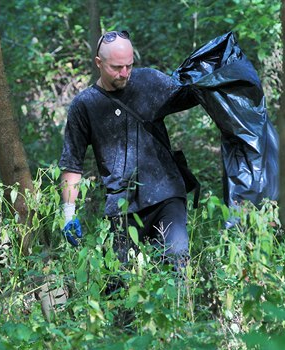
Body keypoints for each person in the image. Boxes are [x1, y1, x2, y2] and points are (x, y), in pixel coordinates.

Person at [58, 30, 198, 268]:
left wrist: (215, 77)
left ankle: (181, 306)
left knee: (176, 262)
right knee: (118, 282)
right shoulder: (85, 105)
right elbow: (72, 164)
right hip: (121, 207)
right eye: (117, 67)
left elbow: (189, 95)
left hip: (166, 194)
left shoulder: (148, 81)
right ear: (99, 63)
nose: (125, 73)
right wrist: (68, 214)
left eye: (129, 66)